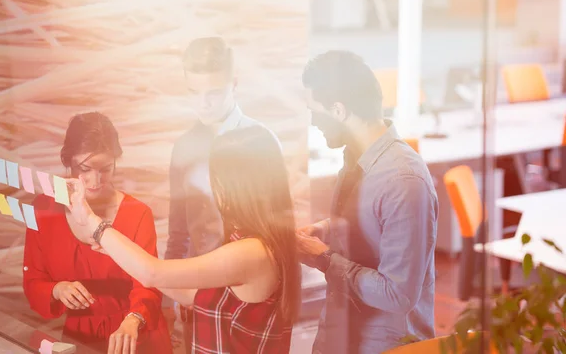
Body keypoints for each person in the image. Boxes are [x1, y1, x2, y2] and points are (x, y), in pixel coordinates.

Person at [65, 125, 301, 354]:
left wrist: (92, 221)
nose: (211, 187)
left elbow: (152, 272)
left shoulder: (253, 252)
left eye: (215, 178)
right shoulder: (254, 243)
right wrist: (120, 253)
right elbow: (192, 295)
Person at [297, 51, 438, 354]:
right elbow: (374, 225)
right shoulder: (356, 159)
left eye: (314, 112)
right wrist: (329, 228)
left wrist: (323, 258)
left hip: (383, 345)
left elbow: (397, 294)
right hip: (342, 332)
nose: (312, 123)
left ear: (338, 110)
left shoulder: (404, 180)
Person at [22, 112, 172, 354]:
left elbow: (149, 284)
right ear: (68, 161)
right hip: (78, 338)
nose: (95, 180)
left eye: (105, 169)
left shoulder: (138, 213)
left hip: (134, 337)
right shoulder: (44, 210)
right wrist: (57, 289)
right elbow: (32, 281)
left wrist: (134, 319)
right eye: (85, 169)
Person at [164, 36, 266, 352]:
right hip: (198, 297)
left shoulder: (260, 143)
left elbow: (279, 233)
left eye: (213, 93)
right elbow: (178, 235)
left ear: (234, 83)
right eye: (194, 92)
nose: (203, 104)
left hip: (252, 303)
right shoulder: (183, 149)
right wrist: (169, 301)